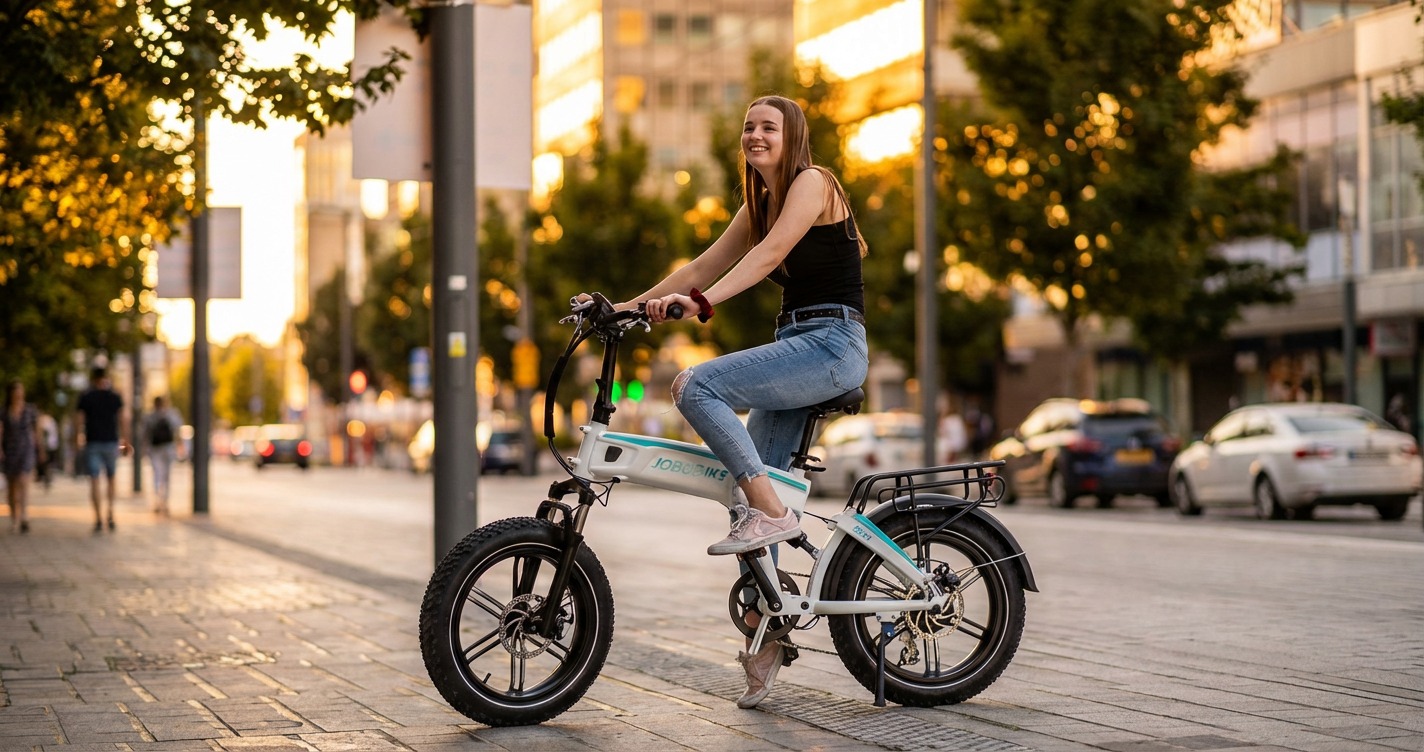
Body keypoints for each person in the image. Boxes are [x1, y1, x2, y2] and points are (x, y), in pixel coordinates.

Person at [619, 94, 869, 708]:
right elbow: (703, 263)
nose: (756, 135)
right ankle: (770, 628)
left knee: (696, 385)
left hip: (832, 342)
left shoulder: (813, 182)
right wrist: (626, 308)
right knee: (745, 487)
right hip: (798, 344)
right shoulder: (758, 203)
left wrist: (703, 305)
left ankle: (773, 512)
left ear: (792, 138)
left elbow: (770, 256)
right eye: (749, 127)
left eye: (769, 127)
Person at [76, 366, 129, 533]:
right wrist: (126, 440)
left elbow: (79, 419)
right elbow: (123, 419)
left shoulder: (86, 396)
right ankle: (111, 513)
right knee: (111, 478)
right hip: (111, 442)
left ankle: (98, 518)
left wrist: (78, 437)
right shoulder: (114, 396)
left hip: (92, 442)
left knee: (94, 480)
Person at [1, 381, 45, 534]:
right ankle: (14, 517)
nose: (19, 394)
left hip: (26, 450)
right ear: (11, 393)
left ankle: (24, 516)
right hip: (10, 451)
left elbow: (36, 432)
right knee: (12, 487)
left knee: (24, 481)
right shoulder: (4, 411)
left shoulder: (30, 410)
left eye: (21, 390)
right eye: (16, 391)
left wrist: (40, 450)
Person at [142, 395, 183, 515]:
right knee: (166, 475)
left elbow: (144, 434)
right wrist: (180, 445)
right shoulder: (171, 414)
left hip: (156, 449)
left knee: (157, 475)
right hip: (168, 447)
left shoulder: (149, 416)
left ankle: (158, 501)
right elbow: (178, 429)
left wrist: (144, 448)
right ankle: (164, 501)